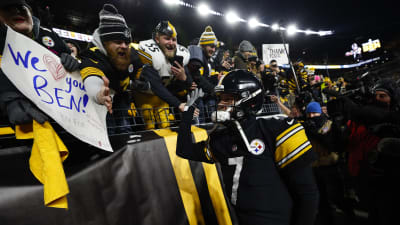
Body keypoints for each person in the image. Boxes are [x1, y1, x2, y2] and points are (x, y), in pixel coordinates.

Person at [177, 70, 319, 225]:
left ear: (249, 100)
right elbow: (184, 150)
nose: (220, 104)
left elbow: (307, 193)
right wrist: (187, 116)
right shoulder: (222, 138)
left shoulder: (275, 129)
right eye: (221, 99)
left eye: (228, 99)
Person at [0, 0, 79, 126]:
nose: (16, 11)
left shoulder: (50, 35)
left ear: (30, 12)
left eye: (21, 7)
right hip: (16, 132)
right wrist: (7, 101)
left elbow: (76, 62)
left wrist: (73, 61)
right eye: (7, 8)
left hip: (66, 123)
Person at [79, 4, 142, 133]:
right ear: (104, 42)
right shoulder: (93, 54)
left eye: (127, 42)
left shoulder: (132, 54)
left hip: (122, 96)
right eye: (118, 42)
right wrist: (98, 94)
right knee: (109, 131)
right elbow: (91, 77)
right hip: (104, 101)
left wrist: (143, 82)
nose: (124, 46)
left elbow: (141, 72)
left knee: (125, 129)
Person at [136, 20, 191, 129]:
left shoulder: (180, 54)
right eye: (167, 38)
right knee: (149, 124)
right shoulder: (149, 51)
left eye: (174, 39)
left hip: (162, 98)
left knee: (165, 124)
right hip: (144, 95)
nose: (171, 43)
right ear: (157, 39)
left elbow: (190, 82)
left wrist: (184, 77)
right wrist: (178, 104)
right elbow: (155, 84)